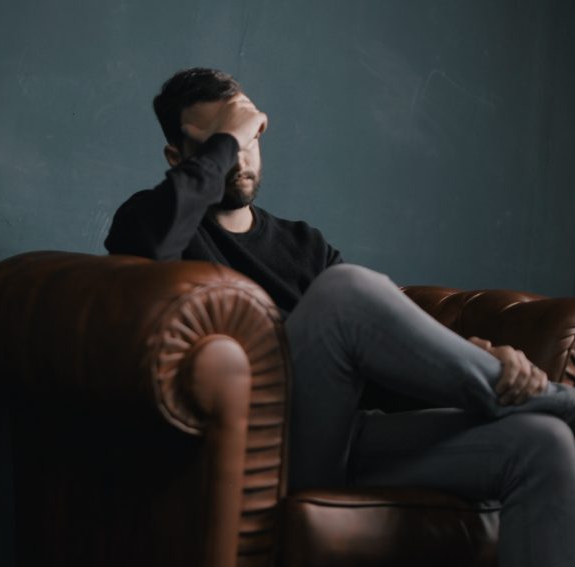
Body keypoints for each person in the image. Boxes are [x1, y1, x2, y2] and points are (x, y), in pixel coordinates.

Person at [105, 67, 575, 566]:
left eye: (250, 136)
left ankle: (530, 404)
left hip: (347, 437)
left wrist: (466, 358)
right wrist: (229, 134)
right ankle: (555, 401)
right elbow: (146, 255)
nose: (239, 156)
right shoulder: (150, 221)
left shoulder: (304, 244)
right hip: (265, 450)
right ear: (178, 158)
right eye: (223, 142)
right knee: (346, 291)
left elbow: (376, 364)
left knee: (543, 445)